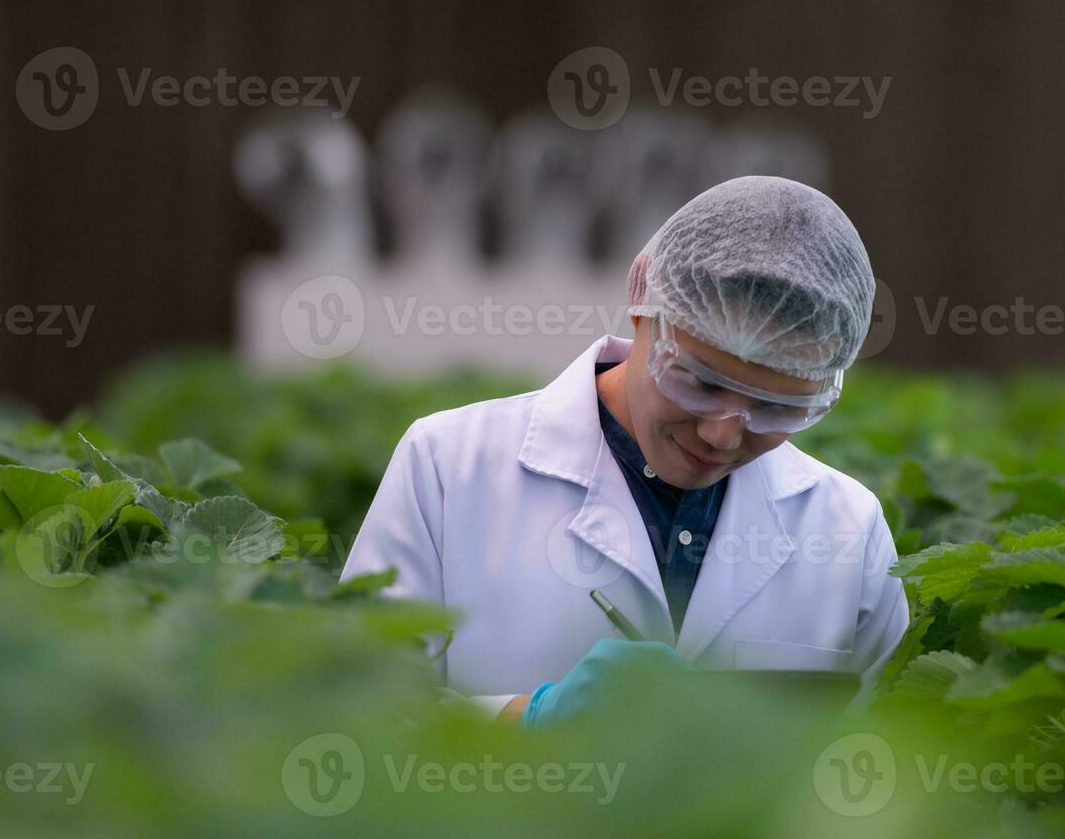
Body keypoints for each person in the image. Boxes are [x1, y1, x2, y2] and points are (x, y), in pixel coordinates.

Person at [340, 176, 909, 726]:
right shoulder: (447, 467)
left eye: (777, 408)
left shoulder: (847, 528)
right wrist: (523, 722)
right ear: (642, 305)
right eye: (699, 383)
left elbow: (891, 760)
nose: (722, 436)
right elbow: (349, 709)